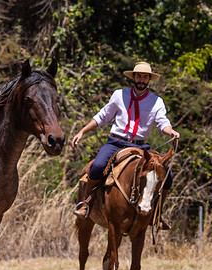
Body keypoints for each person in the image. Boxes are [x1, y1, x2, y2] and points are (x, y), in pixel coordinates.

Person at [71, 61, 180, 222]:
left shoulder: (156, 102)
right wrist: (82, 131)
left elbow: (163, 122)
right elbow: (103, 116)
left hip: (140, 146)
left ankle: (156, 214)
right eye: (139, 76)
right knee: (98, 166)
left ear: (149, 79)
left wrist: (171, 131)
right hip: (116, 142)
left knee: (167, 175)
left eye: (145, 77)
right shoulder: (119, 95)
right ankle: (86, 203)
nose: (141, 80)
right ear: (134, 77)